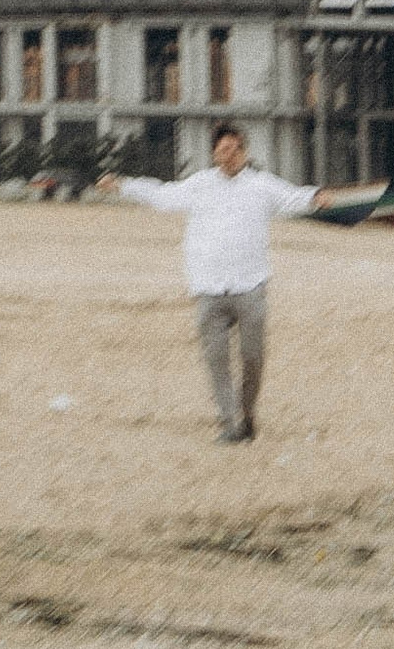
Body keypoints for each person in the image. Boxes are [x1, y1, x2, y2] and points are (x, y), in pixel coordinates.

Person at [101, 125, 333, 443]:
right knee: (216, 361)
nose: (228, 155)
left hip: (250, 285)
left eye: (234, 149)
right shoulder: (200, 185)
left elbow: (292, 197)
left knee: (253, 358)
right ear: (214, 152)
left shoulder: (260, 185)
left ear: (244, 151)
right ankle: (229, 423)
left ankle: (247, 414)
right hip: (209, 287)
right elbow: (162, 194)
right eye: (222, 149)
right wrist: (123, 186)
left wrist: (314, 197)